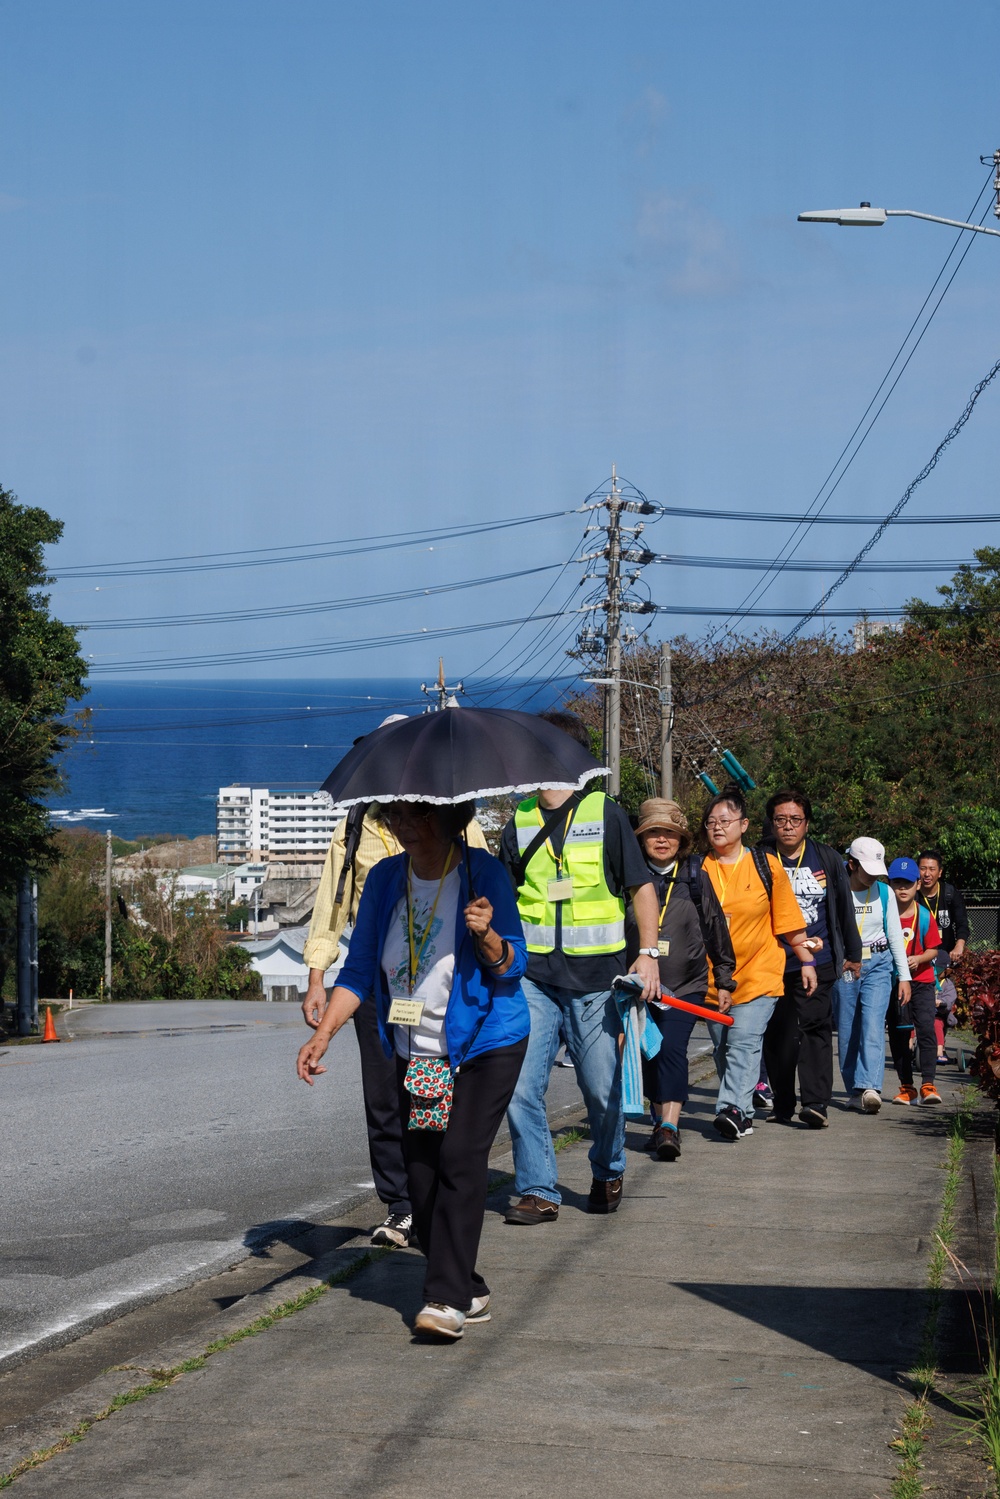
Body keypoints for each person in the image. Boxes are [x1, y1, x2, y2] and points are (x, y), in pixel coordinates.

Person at [297, 800, 529, 1341]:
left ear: (451, 818)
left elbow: (516, 963)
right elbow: (357, 971)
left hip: (483, 1045)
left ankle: (445, 1300)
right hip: (417, 1048)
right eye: (397, 815)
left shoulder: (482, 872)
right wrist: (324, 1032)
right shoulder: (383, 878)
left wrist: (488, 937)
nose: (407, 825)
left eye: (420, 815)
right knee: (420, 1169)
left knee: (460, 1157)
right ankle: (465, 1283)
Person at [302, 728, 488, 1249]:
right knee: (384, 1099)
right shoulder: (359, 824)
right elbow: (332, 901)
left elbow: (481, 882)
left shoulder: (452, 817)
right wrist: (318, 975)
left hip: (438, 981)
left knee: (433, 1097)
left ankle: (436, 1203)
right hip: (377, 983)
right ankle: (401, 1205)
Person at [499, 710, 661, 1224]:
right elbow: (504, 905)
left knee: (600, 1087)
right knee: (521, 1088)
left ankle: (609, 1167)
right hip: (533, 979)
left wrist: (648, 955)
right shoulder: (519, 820)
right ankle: (538, 1188)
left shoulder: (606, 813)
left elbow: (641, 887)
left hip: (597, 982)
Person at [625, 798, 736, 1161]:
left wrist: (723, 979)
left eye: (670, 834)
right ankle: (659, 1123)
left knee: (671, 1049)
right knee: (648, 1054)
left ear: (681, 840)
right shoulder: (626, 875)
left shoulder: (693, 875)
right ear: (640, 838)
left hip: (684, 986)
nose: (662, 840)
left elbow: (716, 929)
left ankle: (670, 1127)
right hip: (638, 987)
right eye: (654, 832)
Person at [699, 787, 814, 1141]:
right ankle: (741, 1109)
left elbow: (788, 921)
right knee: (722, 1047)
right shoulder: (697, 868)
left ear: (744, 824)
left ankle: (732, 1109)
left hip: (760, 972)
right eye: (710, 822)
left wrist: (806, 961)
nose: (717, 827)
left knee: (743, 1042)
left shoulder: (766, 865)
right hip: (713, 980)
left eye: (725, 820)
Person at [758, 789, 864, 1129]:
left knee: (814, 1027)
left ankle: (816, 1103)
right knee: (778, 1033)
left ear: (807, 824)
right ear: (771, 823)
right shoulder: (759, 856)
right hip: (771, 961)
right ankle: (784, 1104)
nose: (788, 826)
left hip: (818, 960)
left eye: (795, 820)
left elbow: (844, 908)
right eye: (780, 820)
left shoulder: (827, 858)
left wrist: (853, 952)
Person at [834, 837, 911, 1113]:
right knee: (847, 1029)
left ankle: (870, 1087)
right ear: (852, 864)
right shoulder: (836, 888)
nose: (872, 877)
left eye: (877, 871)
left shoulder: (886, 893)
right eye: (867, 871)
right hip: (845, 965)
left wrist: (904, 977)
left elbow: (894, 935)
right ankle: (854, 1090)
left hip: (878, 962)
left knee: (873, 1023)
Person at [886, 857, 943, 1106]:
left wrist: (918, 958)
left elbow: (934, 950)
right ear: (889, 884)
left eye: (908, 883)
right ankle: (906, 1087)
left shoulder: (924, 916)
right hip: (895, 983)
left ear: (917, 885)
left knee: (927, 1030)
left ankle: (928, 1085)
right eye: (897, 882)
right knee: (899, 1033)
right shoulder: (885, 914)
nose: (902, 888)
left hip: (922, 981)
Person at [917, 849, 969, 971]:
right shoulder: (913, 896)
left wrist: (959, 946)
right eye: (923, 868)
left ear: (940, 872)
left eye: (932, 869)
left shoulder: (950, 893)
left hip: (948, 958)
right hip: (920, 959)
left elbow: (962, 924)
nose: (927, 874)